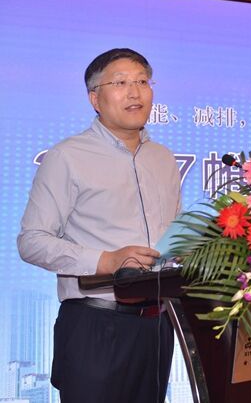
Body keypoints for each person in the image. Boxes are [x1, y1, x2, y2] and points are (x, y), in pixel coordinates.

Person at [17, 48, 181, 402]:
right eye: (120, 83)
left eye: (142, 81)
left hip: (158, 326)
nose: (135, 92)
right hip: (96, 324)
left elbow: (171, 236)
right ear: (95, 98)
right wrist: (106, 260)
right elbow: (32, 241)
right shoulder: (67, 157)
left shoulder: (163, 158)